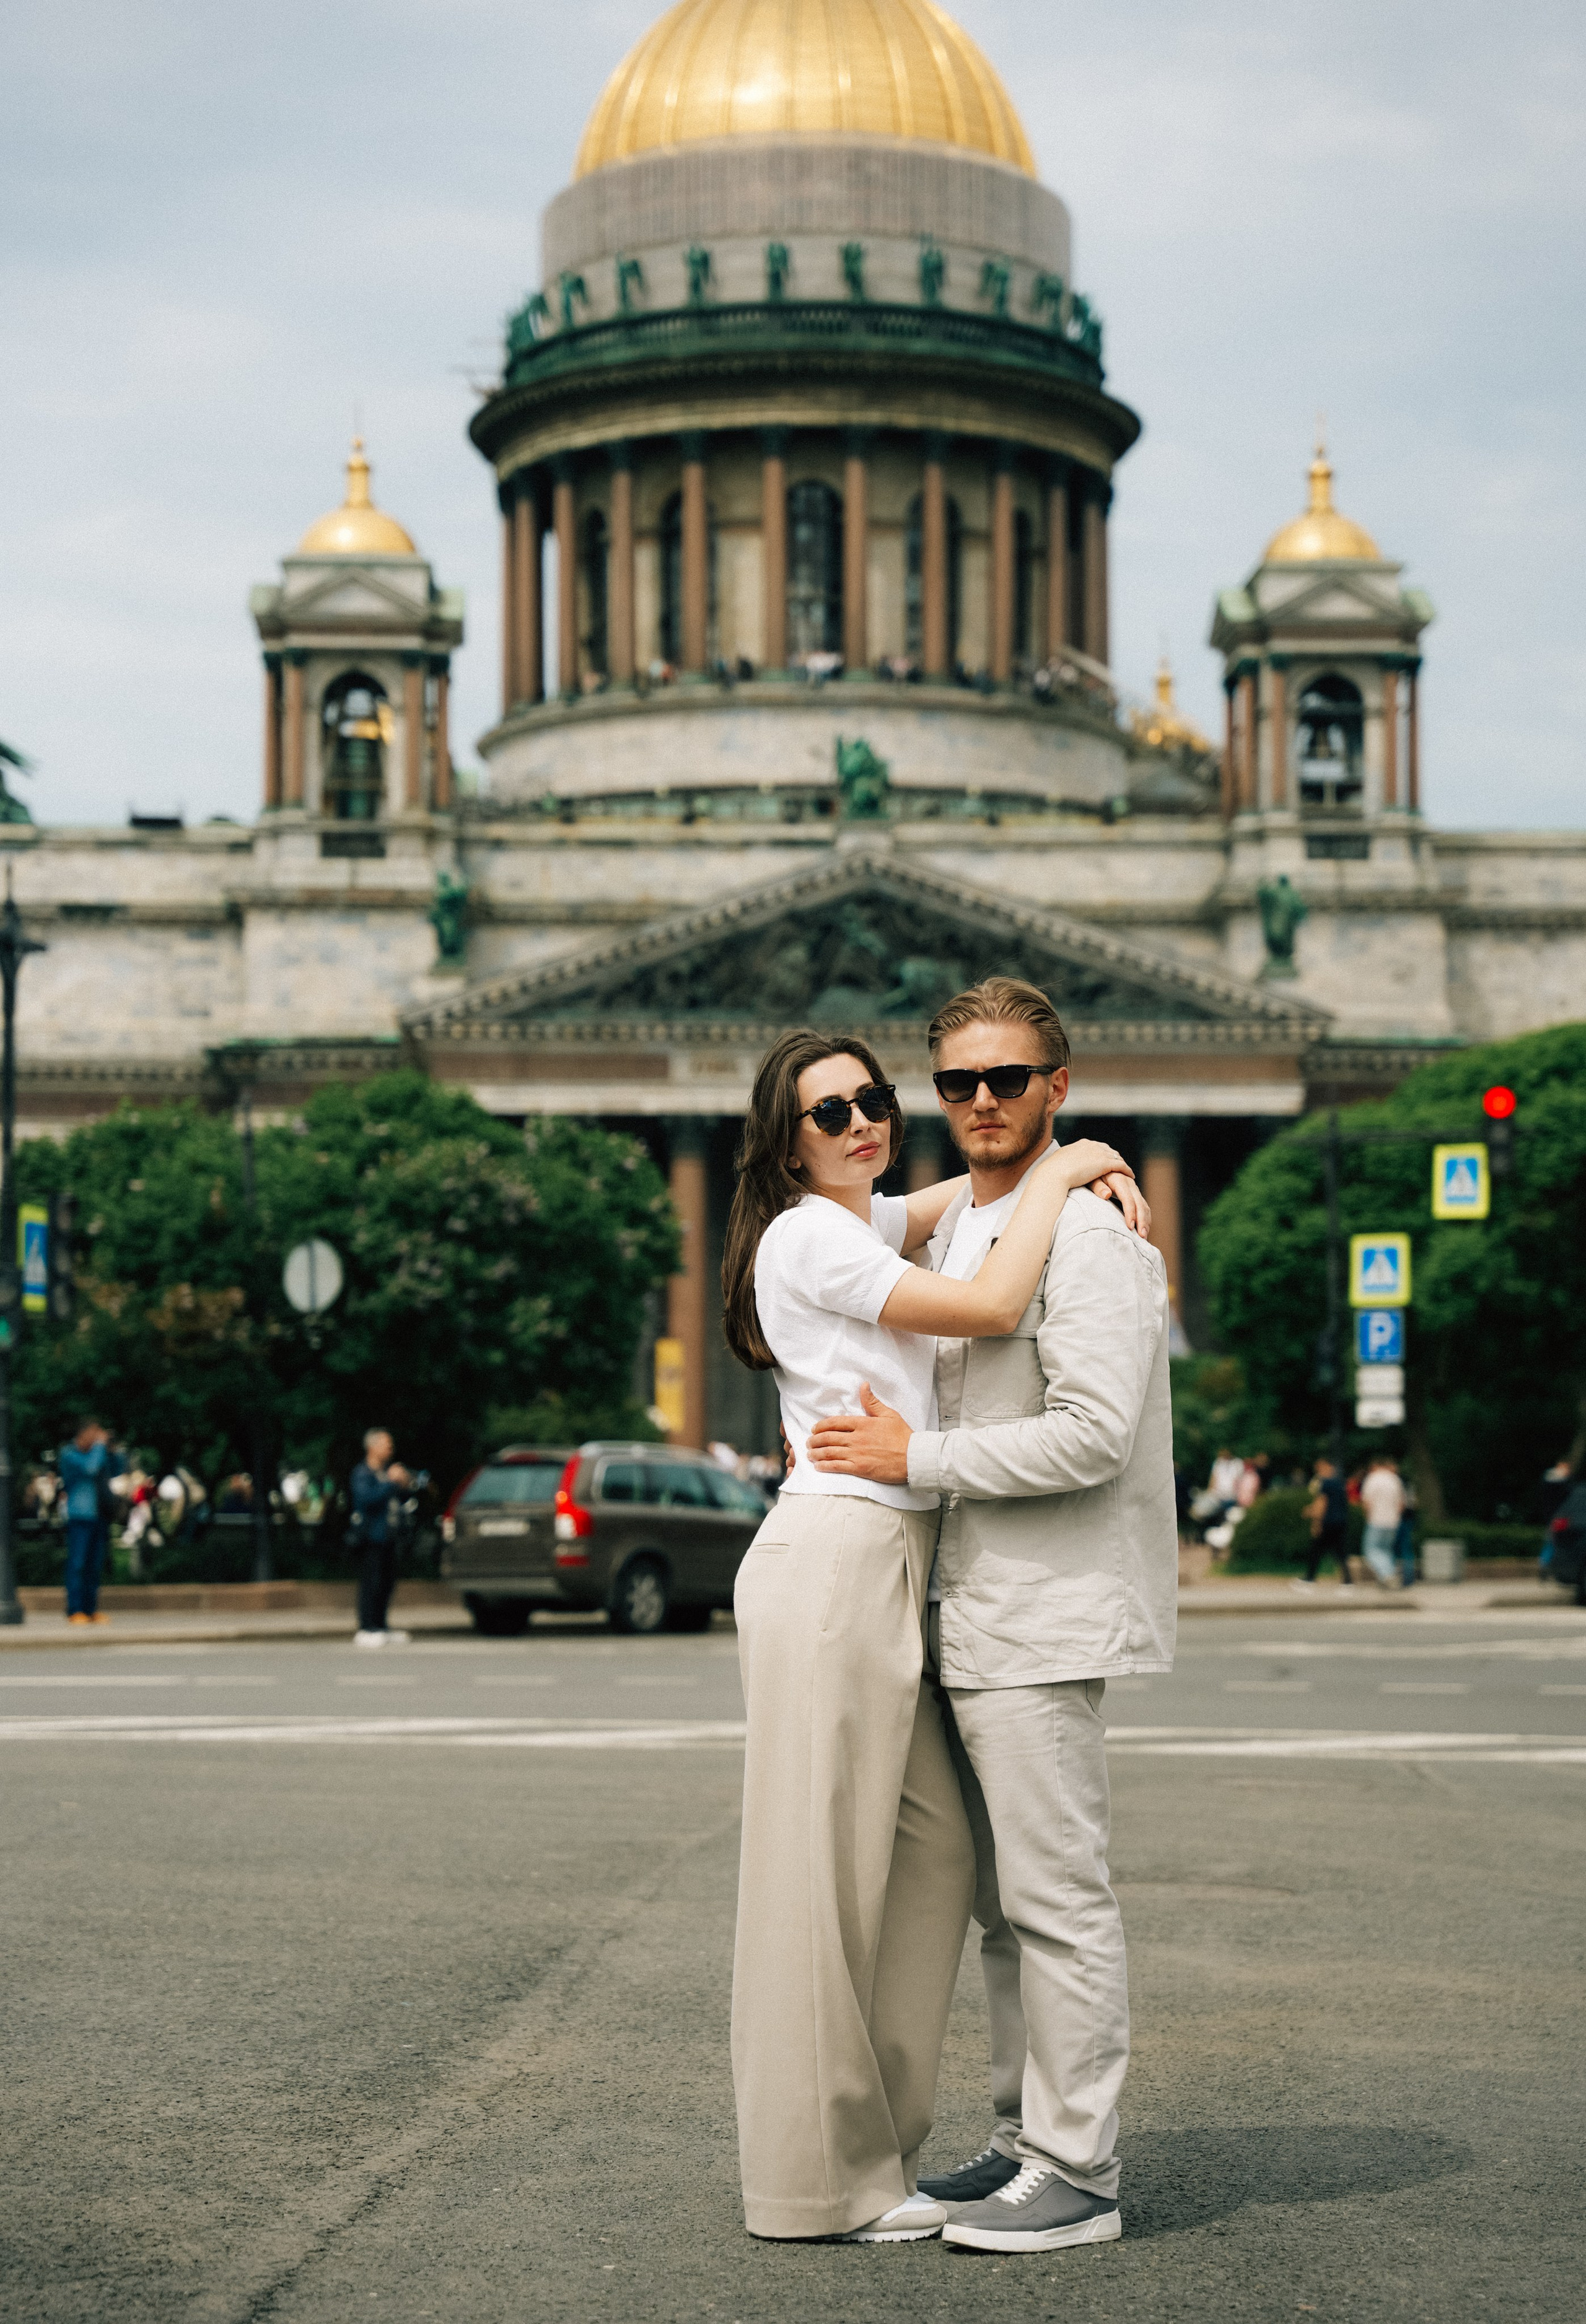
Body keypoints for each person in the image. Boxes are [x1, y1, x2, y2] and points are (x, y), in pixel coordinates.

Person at [719, 1025, 1142, 2247]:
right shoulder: (810, 1233)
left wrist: (1072, 1147)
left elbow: (964, 1187)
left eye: (874, 1100)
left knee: (937, 1852)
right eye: (826, 1112)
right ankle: (818, 2183)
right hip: (837, 1556)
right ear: (784, 1147)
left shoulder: (860, 1220)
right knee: (817, 1884)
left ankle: (878, 2144)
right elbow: (992, 1293)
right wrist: (1062, 1174)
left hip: (887, 1560)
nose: (861, 1122)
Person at [348, 1430, 413, 1647]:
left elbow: (401, 1499)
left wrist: (403, 1484)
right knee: (371, 1582)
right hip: (371, 1536)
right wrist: (391, 1483)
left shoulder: (386, 1472)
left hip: (389, 1536)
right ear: (372, 1447)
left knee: (387, 1583)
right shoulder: (363, 1473)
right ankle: (366, 1627)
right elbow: (367, 1499)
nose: (390, 1449)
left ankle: (381, 1626)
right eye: (387, 1445)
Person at [58, 1418, 122, 1627]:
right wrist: (101, 1446)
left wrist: (112, 1450)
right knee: (78, 1564)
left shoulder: (99, 1451)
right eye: (93, 1434)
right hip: (80, 1515)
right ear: (83, 1434)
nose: (96, 1439)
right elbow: (91, 1468)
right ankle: (75, 1609)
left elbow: (117, 1469)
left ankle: (90, 1609)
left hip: (99, 1515)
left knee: (94, 1565)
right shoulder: (69, 1454)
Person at [1297, 1455, 1352, 1589]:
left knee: (1316, 1550)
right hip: (1340, 1521)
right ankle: (1348, 1580)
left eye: (1320, 1467)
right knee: (1340, 1552)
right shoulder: (1340, 1483)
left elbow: (1322, 1503)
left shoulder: (1326, 1483)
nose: (1318, 1470)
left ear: (1329, 1467)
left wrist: (1315, 1519)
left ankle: (1310, 1578)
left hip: (1328, 1521)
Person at [1359, 1454, 1405, 1588]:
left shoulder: (1373, 1479)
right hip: (1393, 1522)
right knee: (1386, 1550)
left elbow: (1367, 1503)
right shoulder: (1395, 1479)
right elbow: (1401, 1504)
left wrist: (1368, 1518)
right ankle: (1386, 1579)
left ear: (1374, 1467)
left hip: (1377, 1520)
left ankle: (1388, 1575)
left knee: (1371, 1550)